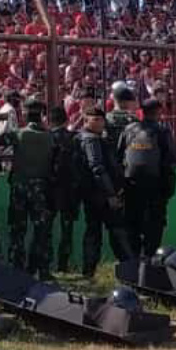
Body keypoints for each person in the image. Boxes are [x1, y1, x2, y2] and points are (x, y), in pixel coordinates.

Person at [75, 106, 133, 277]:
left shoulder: (92, 138)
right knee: (116, 232)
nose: (101, 123)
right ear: (86, 120)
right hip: (100, 195)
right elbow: (97, 168)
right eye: (96, 119)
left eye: (101, 119)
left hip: (95, 194)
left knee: (97, 232)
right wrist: (111, 195)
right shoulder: (90, 140)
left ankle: (89, 272)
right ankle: (129, 270)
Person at [119, 99, 176, 258]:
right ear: (158, 112)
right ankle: (149, 260)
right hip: (155, 187)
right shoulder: (162, 131)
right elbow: (169, 162)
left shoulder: (129, 130)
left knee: (132, 224)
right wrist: (169, 188)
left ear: (142, 112)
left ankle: (134, 260)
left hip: (131, 186)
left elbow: (119, 157)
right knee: (155, 225)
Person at [6, 99, 55, 278]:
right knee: (41, 230)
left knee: (17, 229)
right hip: (41, 187)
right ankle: (41, 268)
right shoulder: (50, 136)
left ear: (25, 114)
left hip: (20, 187)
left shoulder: (18, 134)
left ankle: (17, 269)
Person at [47, 106, 79, 273]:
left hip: (51, 188)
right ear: (66, 120)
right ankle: (63, 265)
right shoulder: (74, 138)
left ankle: (46, 263)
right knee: (67, 229)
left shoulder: (47, 138)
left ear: (49, 121)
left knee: (46, 227)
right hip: (70, 189)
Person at [105, 84, 138, 160]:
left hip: (110, 159)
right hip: (128, 159)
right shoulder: (133, 119)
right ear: (125, 102)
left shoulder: (106, 118)